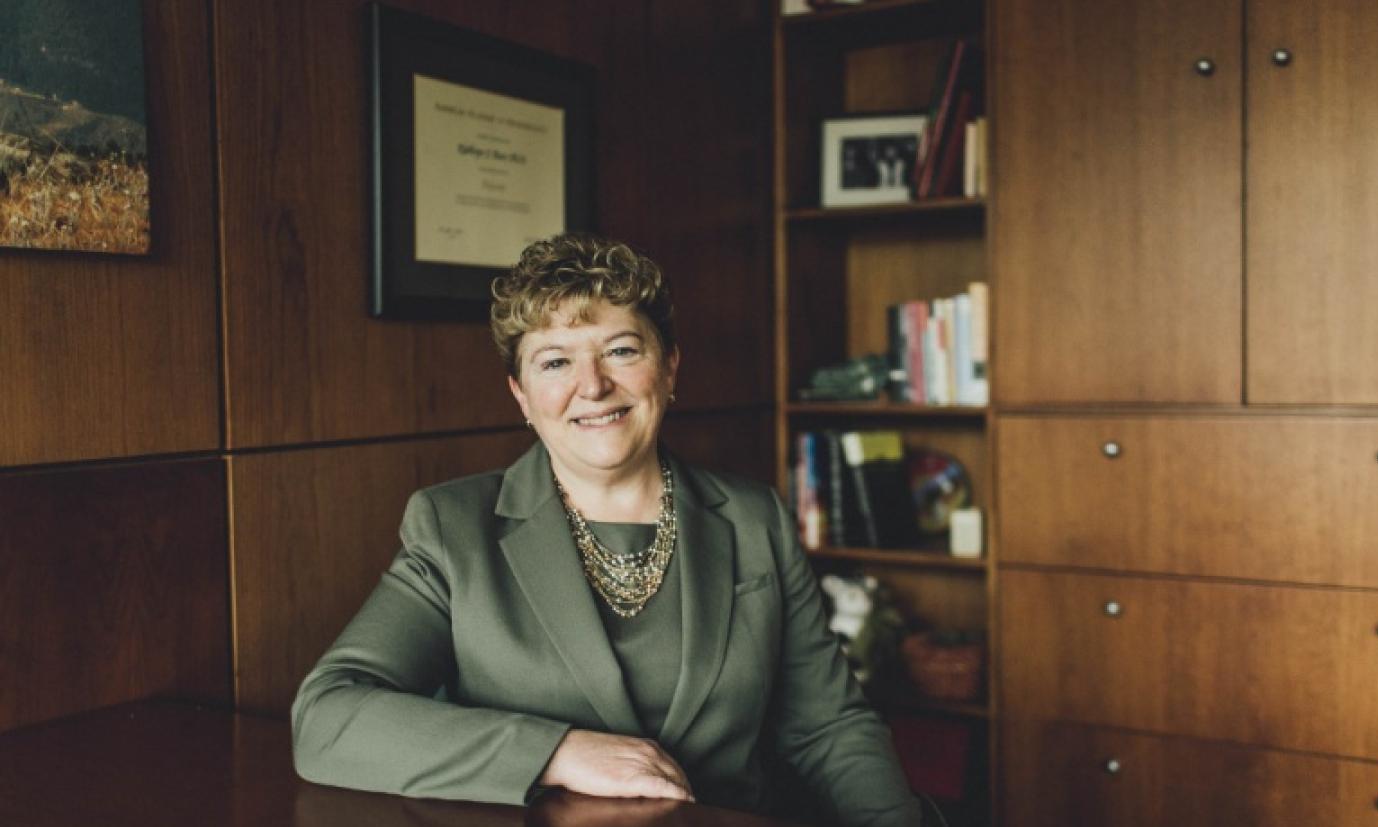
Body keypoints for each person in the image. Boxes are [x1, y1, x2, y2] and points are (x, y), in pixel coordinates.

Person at [291, 234, 935, 826]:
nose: (593, 386)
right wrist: (557, 752)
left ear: (670, 367)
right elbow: (327, 716)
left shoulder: (754, 517)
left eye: (621, 351)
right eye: (554, 362)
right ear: (520, 395)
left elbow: (829, 727)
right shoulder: (453, 527)